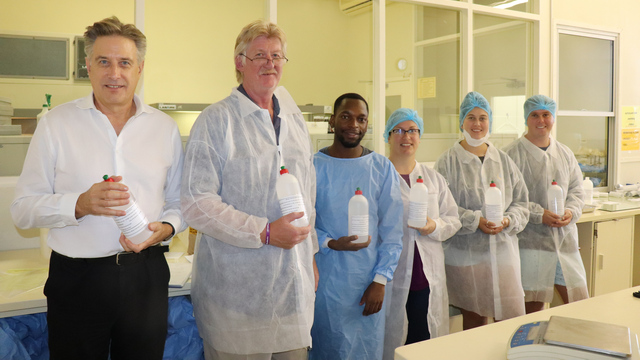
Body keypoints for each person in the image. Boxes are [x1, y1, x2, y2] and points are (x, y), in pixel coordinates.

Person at [10, 16, 184, 359]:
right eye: (104, 62)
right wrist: (80, 204)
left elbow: (179, 203)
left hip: (145, 277)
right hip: (77, 281)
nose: (114, 73)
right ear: (88, 65)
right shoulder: (56, 124)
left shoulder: (164, 129)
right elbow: (23, 209)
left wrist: (165, 228)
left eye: (124, 63)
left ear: (140, 68)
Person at [181, 20, 317, 360]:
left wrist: (311, 255)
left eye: (276, 55)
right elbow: (197, 202)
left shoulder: (295, 122)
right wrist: (266, 231)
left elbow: (308, 195)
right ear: (239, 62)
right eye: (259, 55)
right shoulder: (217, 120)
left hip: (292, 293)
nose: (269, 63)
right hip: (234, 299)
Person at [310, 93, 403, 360]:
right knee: (325, 347)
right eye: (346, 117)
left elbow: (393, 231)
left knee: (365, 350)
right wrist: (329, 243)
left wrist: (380, 279)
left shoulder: (381, 168)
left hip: (367, 283)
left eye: (361, 119)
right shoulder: (313, 167)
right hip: (325, 283)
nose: (354, 125)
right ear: (332, 121)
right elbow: (302, 221)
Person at [434, 91, 529, 330]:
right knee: (474, 319)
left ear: (490, 122)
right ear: (462, 122)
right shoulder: (447, 162)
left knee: (508, 320)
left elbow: (521, 203)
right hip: (465, 254)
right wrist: (475, 220)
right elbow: (443, 207)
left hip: (503, 252)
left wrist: (507, 220)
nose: (477, 124)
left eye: (483, 118)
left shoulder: (504, 160)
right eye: (471, 117)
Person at [382, 108, 462, 359]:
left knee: (423, 342)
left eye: (413, 130)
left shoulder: (433, 178)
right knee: (394, 343)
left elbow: (453, 219)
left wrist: (433, 226)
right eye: (399, 130)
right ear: (388, 136)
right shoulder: (380, 176)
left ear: (420, 135)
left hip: (426, 279)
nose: (407, 136)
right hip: (390, 278)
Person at [504, 95, 589, 313]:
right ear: (526, 118)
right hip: (530, 242)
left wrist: (571, 210)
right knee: (533, 304)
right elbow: (508, 197)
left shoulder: (564, 153)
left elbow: (577, 190)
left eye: (546, 115)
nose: (541, 120)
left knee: (578, 300)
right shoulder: (511, 155)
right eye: (535, 115)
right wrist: (538, 214)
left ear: (553, 118)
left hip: (564, 240)